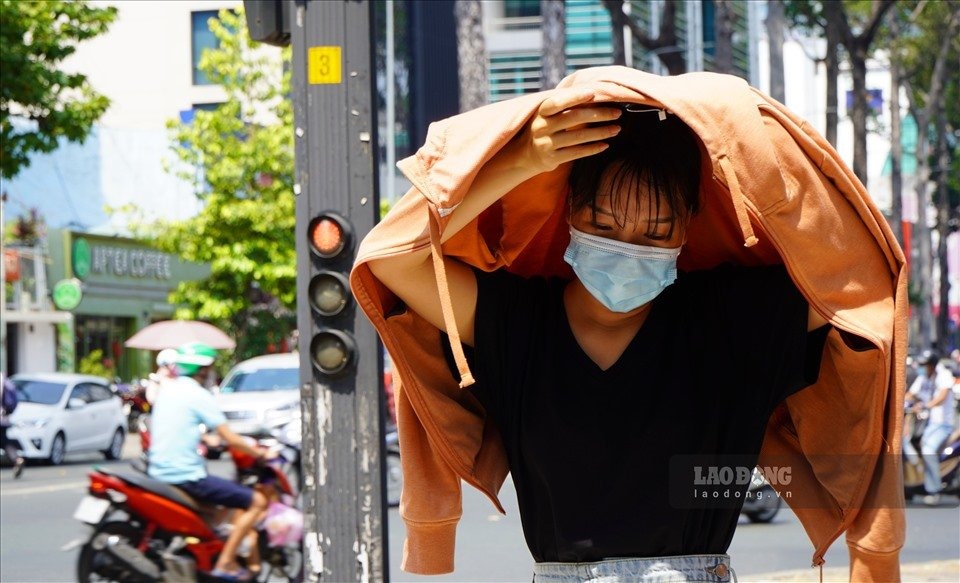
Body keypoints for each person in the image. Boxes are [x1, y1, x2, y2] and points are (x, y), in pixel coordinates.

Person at [368, 94, 831, 581]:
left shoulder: (728, 323)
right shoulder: (515, 322)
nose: (625, 249)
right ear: (568, 215)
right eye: (602, 226)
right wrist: (522, 161)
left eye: (654, 234)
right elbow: (391, 258)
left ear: (688, 229)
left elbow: (854, 277)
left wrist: (743, 145)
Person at [148, 342, 268, 581]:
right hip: (185, 474)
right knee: (257, 501)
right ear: (203, 370)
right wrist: (261, 453)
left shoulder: (169, 389)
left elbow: (179, 426)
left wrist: (205, 438)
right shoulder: (197, 394)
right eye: (211, 368)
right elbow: (230, 438)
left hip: (159, 470)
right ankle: (226, 562)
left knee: (219, 507)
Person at [904, 349, 957, 505]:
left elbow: (942, 396)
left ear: (932, 365)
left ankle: (934, 490)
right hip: (925, 424)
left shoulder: (943, 375)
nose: (922, 367)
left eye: (925, 365)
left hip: (942, 425)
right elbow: (912, 394)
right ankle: (910, 485)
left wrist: (927, 406)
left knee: (928, 451)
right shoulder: (924, 377)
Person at [1, 374, 25, 479]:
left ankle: (17, 460)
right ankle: (17, 459)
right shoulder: (5, 381)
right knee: (4, 442)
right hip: (4, 418)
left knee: (4, 441)